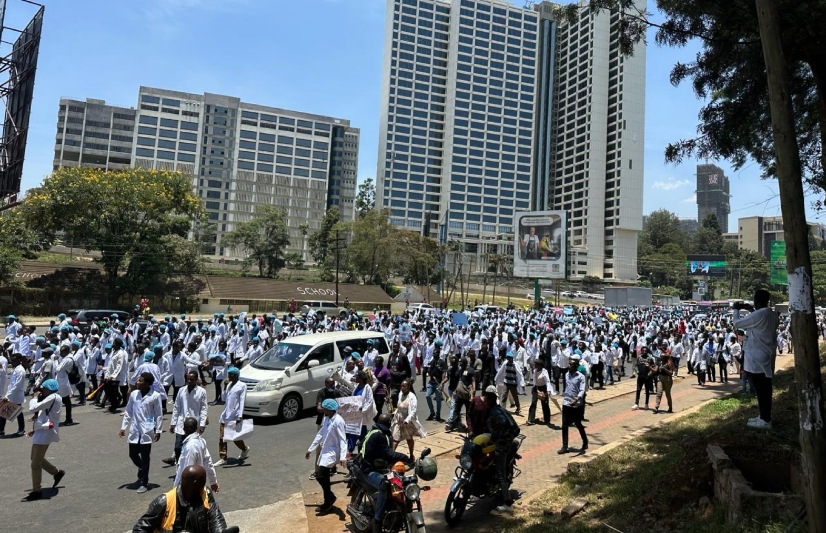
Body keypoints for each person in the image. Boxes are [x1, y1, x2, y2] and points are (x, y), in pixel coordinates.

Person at [133, 465, 230, 533]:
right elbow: (140, 528)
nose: (205, 484)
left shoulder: (205, 493)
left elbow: (215, 517)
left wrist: (221, 531)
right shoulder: (163, 502)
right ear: (195, 483)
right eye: (203, 481)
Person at [359, 413, 414, 533]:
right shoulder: (378, 436)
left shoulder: (375, 431)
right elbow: (389, 454)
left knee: (397, 481)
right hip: (369, 471)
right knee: (384, 484)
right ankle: (377, 521)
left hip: (378, 467)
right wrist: (406, 457)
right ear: (388, 424)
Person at [733, 290, 780, 429]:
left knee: (762, 389)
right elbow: (759, 322)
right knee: (765, 387)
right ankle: (764, 416)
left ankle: (765, 420)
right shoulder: (771, 314)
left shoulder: (760, 314)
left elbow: (737, 324)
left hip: (757, 356)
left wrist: (736, 309)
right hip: (767, 353)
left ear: (756, 299)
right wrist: (751, 310)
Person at [120, 372, 164, 493]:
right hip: (135, 428)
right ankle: (141, 467)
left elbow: (158, 414)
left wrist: (158, 430)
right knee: (132, 454)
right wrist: (123, 427)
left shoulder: (155, 396)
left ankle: (144, 482)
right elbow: (128, 411)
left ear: (147, 383)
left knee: (145, 457)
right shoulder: (134, 394)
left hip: (148, 428)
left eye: (140, 381)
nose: (137, 382)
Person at [24, 379, 65, 501]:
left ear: (48, 389)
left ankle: (36, 491)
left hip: (46, 432)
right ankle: (56, 472)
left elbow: (33, 408)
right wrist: (35, 430)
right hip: (42, 430)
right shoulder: (52, 397)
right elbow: (43, 414)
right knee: (35, 458)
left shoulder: (53, 397)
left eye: (43, 389)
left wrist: (35, 398)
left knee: (35, 463)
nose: (42, 391)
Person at [305, 398, 347, 515]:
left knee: (320, 476)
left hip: (333, 453)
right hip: (325, 451)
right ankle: (328, 500)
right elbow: (320, 434)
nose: (323, 410)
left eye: (324, 408)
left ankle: (329, 497)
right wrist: (310, 449)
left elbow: (343, 440)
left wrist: (343, 456)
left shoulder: (339, 421)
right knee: (324, 476)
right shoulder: (327, 418)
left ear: (329, 409)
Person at [486, 384, 521, 513]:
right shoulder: (499, 409)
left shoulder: (495, 412)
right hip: (506, 441)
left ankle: (507, 503)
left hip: (502, 445)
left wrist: (493, 439)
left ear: (489, 399)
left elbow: (502, 423)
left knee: (501, 473)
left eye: (486, 399)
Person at [164, 371, 209, 466]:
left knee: (191, 447)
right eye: (187, 379)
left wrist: (202, 424)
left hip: (194, 425)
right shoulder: (181, 390)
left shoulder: (202, 392)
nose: (189, 381)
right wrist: (173, 423)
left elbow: (204, 409)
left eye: (191, 379)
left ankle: (190, 466)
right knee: (178, 447)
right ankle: (179, 465)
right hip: (181, 423)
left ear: (196, 380)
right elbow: (176, 407)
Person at [214, 367, 250, 466]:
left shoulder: (242, 386)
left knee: (234, 437)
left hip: (234, 415)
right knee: (222, 437)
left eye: (230, 375)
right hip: (225, 414)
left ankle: (244, 448)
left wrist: (240, 415)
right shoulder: (229, 385)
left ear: (235, 375)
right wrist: (225, 387)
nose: (228, 377)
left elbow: (242, 401)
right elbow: (224, 398)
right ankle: (223, 458)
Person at [173, 417, 218, 493]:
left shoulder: (190, 446)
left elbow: (187, 471)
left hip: (189, 489)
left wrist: (177, 489)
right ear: (196, 428)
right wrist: (213, 481)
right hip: (199, 485)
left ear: (184, 429)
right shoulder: (201, 441)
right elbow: (208, 463)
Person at [558, 354, 588, 455]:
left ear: (576, 366)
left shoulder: (581, 377)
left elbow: (582, 390)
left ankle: (585, 441)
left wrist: (577, 399)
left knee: (578, 424)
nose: (569, 366)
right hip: (566, 402)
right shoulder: (566, 375)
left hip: (576, 404)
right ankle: (565, 446)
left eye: (571, 364)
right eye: (569, 364)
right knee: (564, 424)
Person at [390, 379, 427, 459]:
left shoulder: (412, 397)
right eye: (401, 386)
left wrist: (407, 420)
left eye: (404, 386)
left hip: (408, 421)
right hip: (399, 420)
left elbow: (413, 411)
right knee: (396, 438)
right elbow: (399, 407)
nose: (402, 388)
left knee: (409, 439)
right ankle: (391, 458)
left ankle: (411, 455)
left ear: (409, 387)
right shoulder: (400, 394)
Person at [0, 353, 27, 437]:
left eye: (14, 360)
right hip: (11, 394)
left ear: (19, 360)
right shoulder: (14, 369)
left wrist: (7, 396)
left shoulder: (20, 371)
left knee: (18, 413)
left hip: (16, 395)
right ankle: (1, 430)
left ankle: (21, 430)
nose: (12, 362)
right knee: (4, 411)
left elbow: (17, 385)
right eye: (11, 361)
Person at [526, 359, 554, 426]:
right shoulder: (535, 371)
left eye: (536, 364)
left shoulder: (544, 371)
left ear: (540, 365)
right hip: (536, 389)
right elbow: (535, 381)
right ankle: (531, 419)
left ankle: (547, 420)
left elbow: (547, 381)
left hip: (543, 389)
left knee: (545, 404)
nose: (534, 365)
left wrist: (548, 391)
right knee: (533, 403)